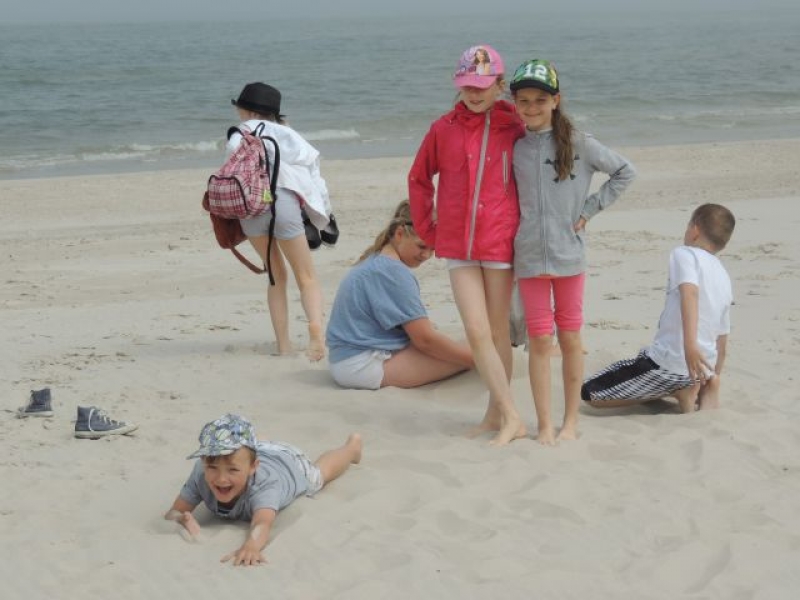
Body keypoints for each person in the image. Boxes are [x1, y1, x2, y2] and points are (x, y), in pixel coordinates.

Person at [510, 59, 637, 445]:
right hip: (529, 258)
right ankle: (544, 424)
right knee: (539, 342)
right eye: (523, 101)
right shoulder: (514, 147)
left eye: (540, 100)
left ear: (556, 100)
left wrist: (589, 210)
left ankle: (569, 422)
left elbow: (624, 171)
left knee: (570, 340)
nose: (531, 107)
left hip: (570, 258)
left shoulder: (579, 143)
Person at [408, 44, 526, 446]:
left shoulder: (515, 126)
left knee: (497, 331)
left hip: (500, 240)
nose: (474, 93)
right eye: (467, 85)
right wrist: (429, 230)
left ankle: (496, 414)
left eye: (482, 85)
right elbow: (419, 179)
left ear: (499, 85)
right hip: (458, 243)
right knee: (475, 331)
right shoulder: (443, 128)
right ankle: (512, 414)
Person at [582, 204, 735, 413]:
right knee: (645, 366)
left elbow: (689, 293)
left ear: (695, 230)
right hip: (703, 368)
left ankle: (679, 391)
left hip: (671, 363)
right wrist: (714, 374)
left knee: (589, 392)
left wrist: (690, 346)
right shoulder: (723, 275)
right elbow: (722, 335)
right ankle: (700, 388)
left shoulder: (685, 254)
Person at [164, 413, 362, 566]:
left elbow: (262, 522)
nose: (221, 479)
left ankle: (352, 448)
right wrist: (181, 518)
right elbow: (174, 512)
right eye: (212, 467)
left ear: (253, 468)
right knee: (245, 452)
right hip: (259, 450)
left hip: (290, 464)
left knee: (319, 475)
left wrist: (251, 546)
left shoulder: (264, 484)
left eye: (232, 470)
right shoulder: (200, 473)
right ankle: (260, 443)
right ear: (203, 462)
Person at [228, 82, 331, 361]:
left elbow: (232, 173)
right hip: (282, 202)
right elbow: (313, 174)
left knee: (276, 277)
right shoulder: (289, 135)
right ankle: (315, 330)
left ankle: (283, 346)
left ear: (248, 111)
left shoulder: (238, 135)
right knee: (306, 277)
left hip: (251, 208)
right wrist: (324, 212)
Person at [326, 201, 474, 390]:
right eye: (422, 246)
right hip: (360, 366)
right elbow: (425, 340)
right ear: (399, 233)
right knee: (479, 354)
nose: (427, 255)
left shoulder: (376, 260)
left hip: (343, 359)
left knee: (467, 345)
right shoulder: (393, 272)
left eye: (433, 249)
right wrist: (477, 362)